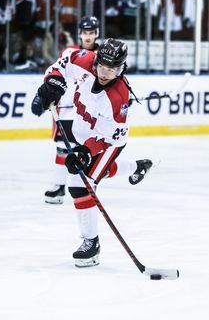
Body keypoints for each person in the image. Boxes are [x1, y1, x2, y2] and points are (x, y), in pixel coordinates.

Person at [31, 38, 152, 267]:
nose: (105, 73)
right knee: (97, 173)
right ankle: (138, 166)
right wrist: (52, 82)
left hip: (107, 142)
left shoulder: (118, 97)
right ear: (96, 60)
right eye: (102, 66)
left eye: (112, 69)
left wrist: (86, 152)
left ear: (121, 68)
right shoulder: (84, 61)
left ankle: (91, 243)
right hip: (81, 132)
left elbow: (111, 136)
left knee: (79, 184)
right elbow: (61, 64)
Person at [32, 16, 100, 204]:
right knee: (63, 148)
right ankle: (60, 186)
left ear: (97, 34)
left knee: (88, 149)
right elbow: (57, 75)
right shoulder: (69, 52)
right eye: (85, 32)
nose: (88, 36)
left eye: (91, 33)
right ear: (79, 34)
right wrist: (45, 95)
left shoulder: (103, 55)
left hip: (90, 112)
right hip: (68, 109)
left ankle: (89, 184)